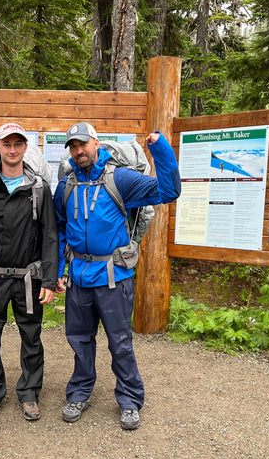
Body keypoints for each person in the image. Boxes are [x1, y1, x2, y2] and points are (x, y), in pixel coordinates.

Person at [53, 122, 181, 430]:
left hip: (114, 278)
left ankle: (129, 400)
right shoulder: (66, 186)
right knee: (80, 340)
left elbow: (169, 190)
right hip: (79, 279)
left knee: (120, 342)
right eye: (73, 146)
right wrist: (58, 272)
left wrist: (159, 147)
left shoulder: (119, 178)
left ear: (96, 143)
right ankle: (80, 393)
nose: (78, 150)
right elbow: (58, 230)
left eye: (83, 144)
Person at [0, 123, 58, 425]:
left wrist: (49, 280)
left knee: (31, 337)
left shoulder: (39, 188)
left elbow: (50, 236)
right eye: (7, 144)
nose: (13, 149)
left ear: (25, 148)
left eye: (18, 144)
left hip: (29, 279)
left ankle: (29, 392)